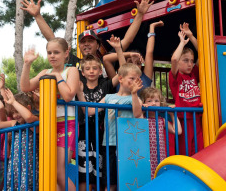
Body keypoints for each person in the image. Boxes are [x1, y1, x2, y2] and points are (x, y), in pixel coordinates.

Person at [20, 0, 154, 76]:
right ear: (79, 46)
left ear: (98, 44)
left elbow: (127, 40)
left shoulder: (106, 59)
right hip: (82, 115)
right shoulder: (73, 61)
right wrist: (37, 16)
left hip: (105, 114)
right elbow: (52, 39)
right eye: (83, 42)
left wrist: (140, 14)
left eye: (90, 41)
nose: (86, 44)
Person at [20, 37, 79, 191]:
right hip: (49, 125)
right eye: (49, 53)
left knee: (59, 171)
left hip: (67, 123)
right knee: (51, 172)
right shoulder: (45, 72)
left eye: (56, 52)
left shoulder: (71, 70)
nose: (52, 55)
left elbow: (68, 96)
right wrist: (27, 64)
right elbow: (25, 87)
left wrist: (58, 77)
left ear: (66, 53)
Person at [85, 63, 144, 191]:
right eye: (132, 78)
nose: (135, 82)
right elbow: (90, 111)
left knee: (126, 179)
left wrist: (134, 94)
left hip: (127, 144)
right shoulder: (108, 97)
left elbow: (138, 113)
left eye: (137, 79)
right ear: (121, 78)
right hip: (109, 143)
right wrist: (79, 92)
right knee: (109, 182)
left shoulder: (135, 98)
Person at [75, 36, 124, 190]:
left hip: (102, 133)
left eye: (95, 68)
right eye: (88, 69)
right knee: (84, 173)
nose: (91, 71)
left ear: (100, 70)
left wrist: (118, 49)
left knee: (99, 172)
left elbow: (122, 72)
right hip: (83, 132)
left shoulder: (105, 85)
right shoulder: (79, 84)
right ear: (82, 72)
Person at [0, 89, 39, 190]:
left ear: (28, 108)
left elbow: (28, 117)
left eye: (17, 111)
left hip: (30, 165)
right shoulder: (14, 123)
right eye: (13, 112)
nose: (15, 115)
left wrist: (14, 102)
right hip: (15, 164)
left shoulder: (35, 121)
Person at [169, 23, 203, 156]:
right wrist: (182, 43)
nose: (190, 64)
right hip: (183, 119)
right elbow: (174, 59)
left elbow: (204, 52)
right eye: (186, 60)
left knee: (200, 151)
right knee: (186, 152)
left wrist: (191, 35)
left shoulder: (193, 74)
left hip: (197, 119)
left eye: (191, 61)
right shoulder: (176, 77)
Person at [103, 20, 164, 95]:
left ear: (141, 67)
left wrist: (152, 27)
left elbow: (149, 52)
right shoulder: (120, 77)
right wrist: (129, 54)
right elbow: (106, 59)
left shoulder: (145, 77)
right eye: (130, 62)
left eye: (138, 63)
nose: (134, 65)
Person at [140, 87, 182, 179]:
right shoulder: (142, 118)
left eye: (156, 100)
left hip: (160, 154)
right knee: (147, 175)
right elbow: (137, 118)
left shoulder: (161, 120)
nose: (154, 103)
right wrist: (141, 109)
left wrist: (172, 114)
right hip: (146, 153)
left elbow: (178, 131)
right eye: (149, 101)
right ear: (144, 102)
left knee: (158, 175)